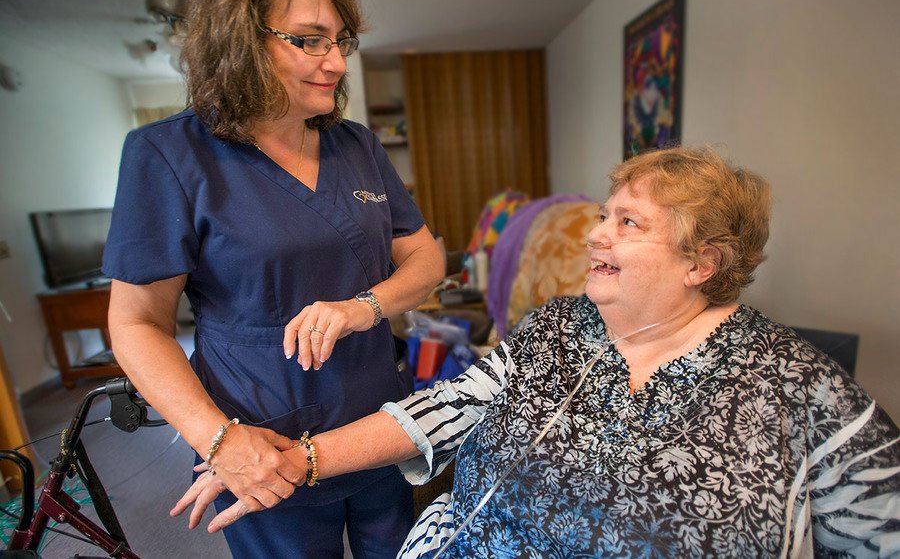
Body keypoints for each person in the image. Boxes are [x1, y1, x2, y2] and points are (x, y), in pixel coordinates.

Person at [173, 146, 900, 557]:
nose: (596, 234)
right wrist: (298, 458)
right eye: (604, 215)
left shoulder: (798, 389)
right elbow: (442, 408)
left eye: (628, 222)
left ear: (701, 262)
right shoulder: (561, 326)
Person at [102, 0, 444, 557]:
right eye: (310, 40)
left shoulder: (356, 146)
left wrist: (367, 306)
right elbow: (136, 324)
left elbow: (425, 256)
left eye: (342, 40)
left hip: (377, 427)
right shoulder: (168, 155)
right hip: (261, 447)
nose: (335, 62)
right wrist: (220, 441)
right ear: (239, 41)